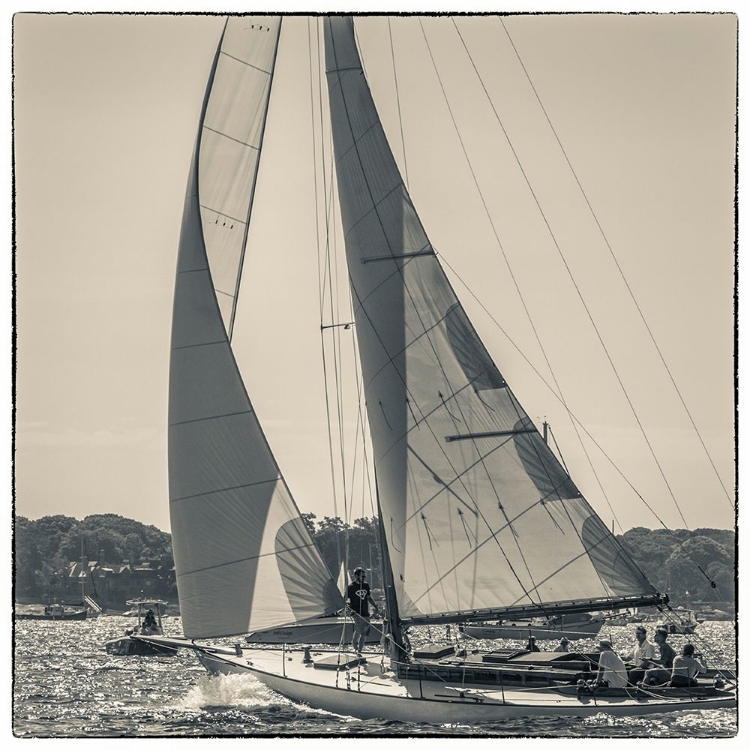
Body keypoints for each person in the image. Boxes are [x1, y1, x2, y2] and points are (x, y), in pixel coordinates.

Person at [346, 567, 379, 656]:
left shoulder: (366, 585)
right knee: (359, 630)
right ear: (356, 576)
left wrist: (375, 605)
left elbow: (368, 597)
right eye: (362, 576)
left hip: (365, 611)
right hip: (356, 612)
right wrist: (350, 610)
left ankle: (359, 650)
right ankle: (354, 645)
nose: (364, 578)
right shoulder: (351, 587)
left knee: (365, 632)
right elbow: (347, 600)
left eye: (364, 576)